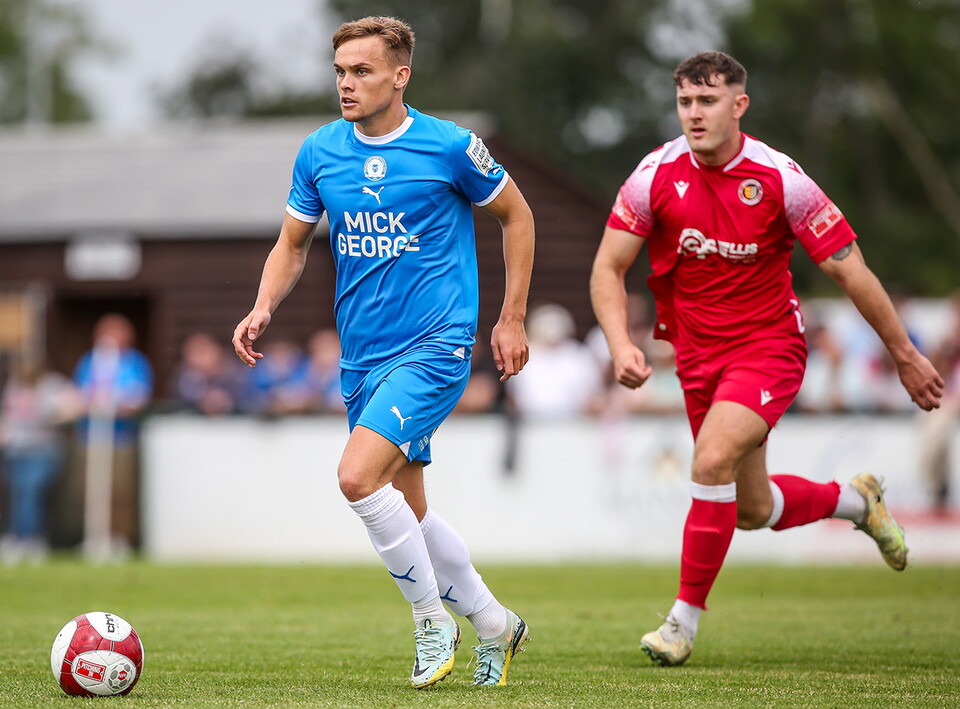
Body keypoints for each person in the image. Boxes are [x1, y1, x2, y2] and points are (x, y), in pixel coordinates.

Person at [589, 51, 944, 667]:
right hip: (697, 359)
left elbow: (849, 270)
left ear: (738, 105)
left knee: (711, 458)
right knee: (751, 510)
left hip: (768, 349)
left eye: (708, 101)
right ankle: (857, 502)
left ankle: (681, 624)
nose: (694, 114)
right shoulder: (654, 175)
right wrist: (622, 343)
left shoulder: (781, 179)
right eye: (685, 102)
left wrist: (906, 355)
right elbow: (607, 266)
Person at [231, 16, 535, 689]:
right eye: (340, 71)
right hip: (362, 357)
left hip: (435, 346)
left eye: (362, 71)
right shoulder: (319, 152)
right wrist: (262, 305)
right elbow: (293, 242)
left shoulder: (451, 146)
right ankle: (495, 623)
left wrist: (511, 317)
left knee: (356, 477)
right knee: (410, 510)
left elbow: (518, 215)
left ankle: (433, 619)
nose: (347, 83)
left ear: (400, 76)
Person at [71, 313, 153, 556]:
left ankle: (119, 539)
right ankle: (93, 535)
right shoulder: (89, 362)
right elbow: (78, 394)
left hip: (120, 438)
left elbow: (139, 398)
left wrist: (116, 403)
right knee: (89, 489)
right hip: (90, 436)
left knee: (119, 492)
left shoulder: (135, 363)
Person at [0, 358, 82, 563]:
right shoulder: (15, 385)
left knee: (32, 492)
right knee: (18, 494)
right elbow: (8, 416)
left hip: (43, 450)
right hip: (16, 450)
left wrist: (52, 417)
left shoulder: (52, 384)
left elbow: (74, 407)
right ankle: (16, 536)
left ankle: (33, 538)